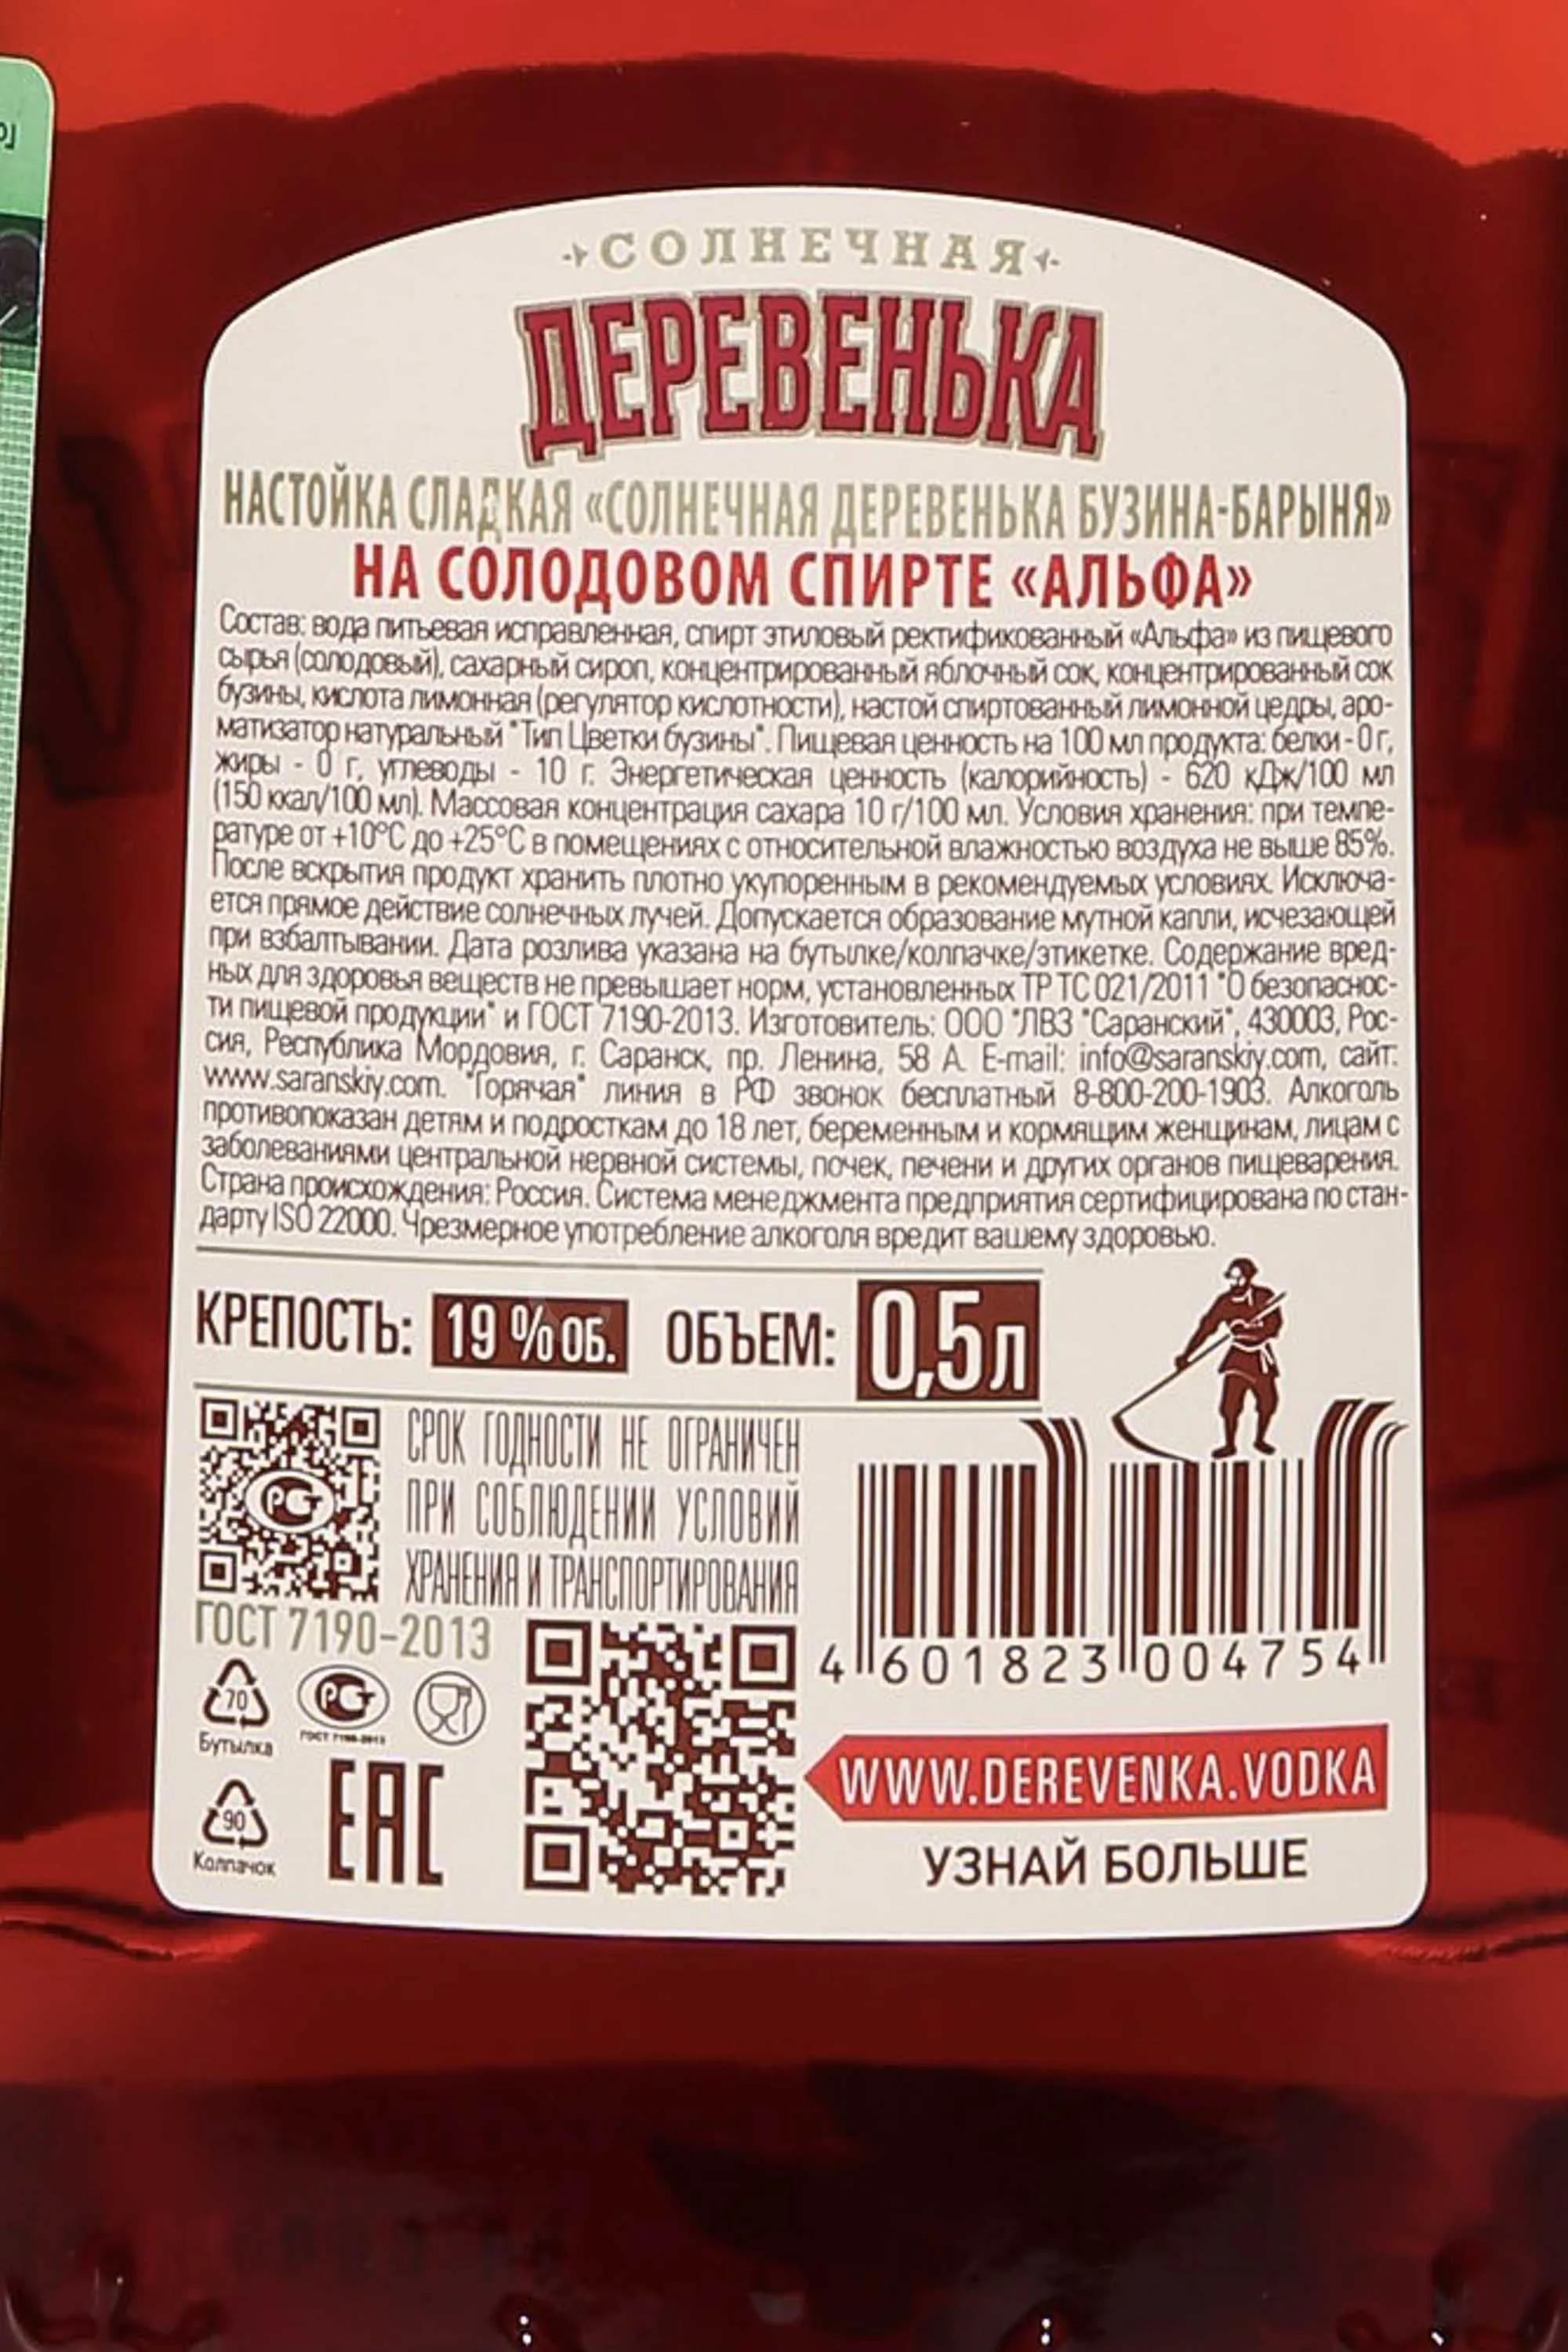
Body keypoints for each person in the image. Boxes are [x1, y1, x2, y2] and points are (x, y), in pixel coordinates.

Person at [1176, 1258, 1284, 1457]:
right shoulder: (1224, 1302)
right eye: (1232, 1278)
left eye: (1239, 1279)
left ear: (1249, 1278)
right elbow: (1206, 1327)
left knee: (1268, 1402)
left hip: (1259, 1358)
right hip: (1238, 1359)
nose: (1235, 1283)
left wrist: (1250, 1331)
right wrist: (1187, 1354)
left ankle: (1260, 1440)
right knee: (1230, 1405)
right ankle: (1229, 1444)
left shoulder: (1264, 1296)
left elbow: (1274, 1327)